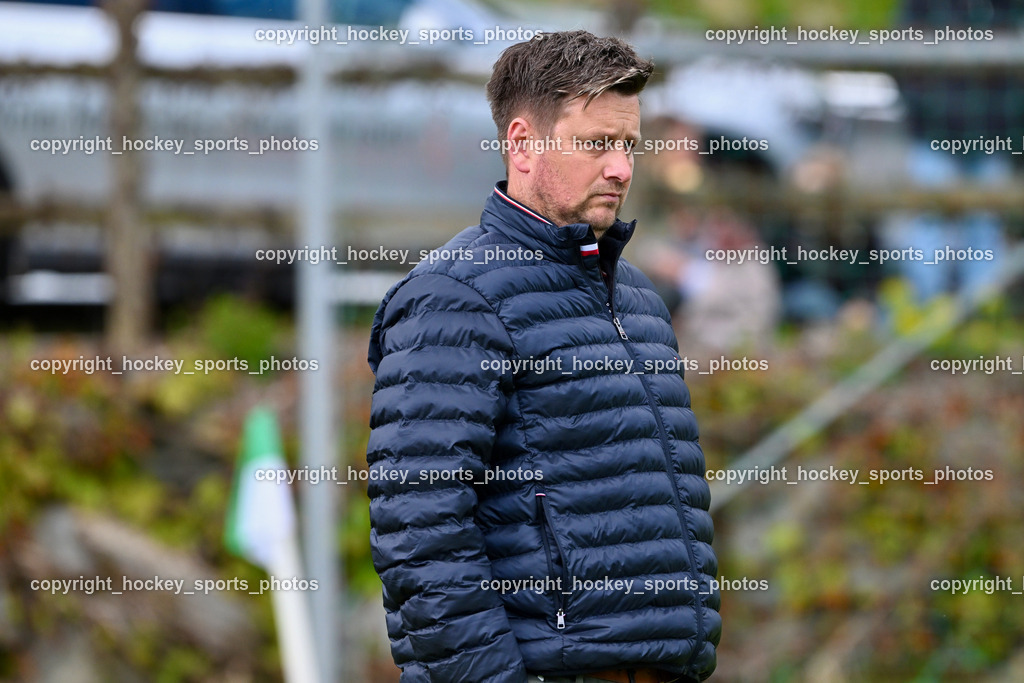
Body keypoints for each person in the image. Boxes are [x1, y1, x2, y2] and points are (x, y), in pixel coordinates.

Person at [366, 30, 720, 683]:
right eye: (597, 143)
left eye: (629, 145)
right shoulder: (453, 297)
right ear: (523, 144)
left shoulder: (638, 298)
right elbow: (419, 530)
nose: (621, 169)